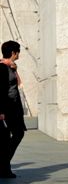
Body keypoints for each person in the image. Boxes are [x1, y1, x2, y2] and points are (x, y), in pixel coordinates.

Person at [0, 40, 26, 178]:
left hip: (13, 109)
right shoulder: (2, 68)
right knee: (13, 136)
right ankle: (4, 165)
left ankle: (4, 166)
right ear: (12, 53)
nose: (19, 55)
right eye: (18, 52)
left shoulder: (11, 67)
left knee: (16, 134)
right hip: (7, 110)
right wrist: (1, 111)